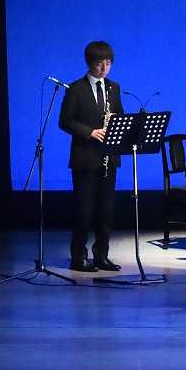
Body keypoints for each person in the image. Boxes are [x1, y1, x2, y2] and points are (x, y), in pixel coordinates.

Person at [58, 40, 123, 272]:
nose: (104, 68)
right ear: (89, 63)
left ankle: (101, 256)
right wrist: (90, 132)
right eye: (99, 64)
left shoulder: (114, 88)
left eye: (108, 63)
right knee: (84, 211)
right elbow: (65, 121)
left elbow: (120, 116)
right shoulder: (76, 88)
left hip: (108, 158)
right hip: (85, 157)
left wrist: (116, 124)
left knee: (106, 211)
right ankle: (78, 257)